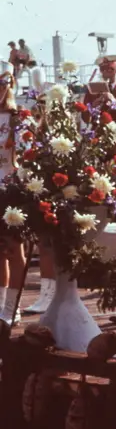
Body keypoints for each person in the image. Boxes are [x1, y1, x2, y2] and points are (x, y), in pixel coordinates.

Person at [0, 71, 25, 324]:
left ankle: (13, 307)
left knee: (15, 251)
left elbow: (26, 155)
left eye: (3, 83)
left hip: (10, 190)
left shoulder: (17, 117)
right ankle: (0, 305)